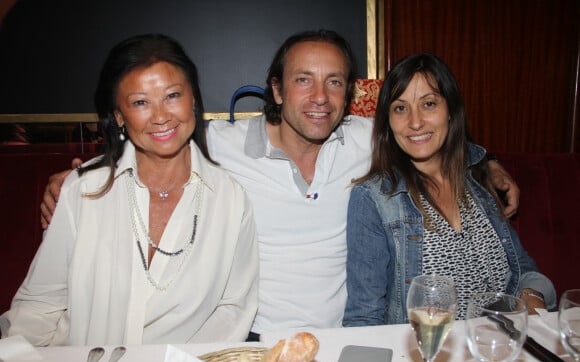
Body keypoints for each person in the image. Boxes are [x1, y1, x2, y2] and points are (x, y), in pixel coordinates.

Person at [38, 31, 520, 338]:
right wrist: (82, 174)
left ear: (349, 93)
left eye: (334, 82)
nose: (319, 98)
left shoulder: (362, 138)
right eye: (303, 80)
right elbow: (162, 133)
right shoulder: (223, 144)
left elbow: (427, 131)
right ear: (275, 89)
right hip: (251, 336)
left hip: (341, 337)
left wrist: (488, 163)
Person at [0, 34, 259, 345]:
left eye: (172, 95)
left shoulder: (230, 199)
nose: (161, 116)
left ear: (193, 99)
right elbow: (40, 305)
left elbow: (233, 309)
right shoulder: (82, 192)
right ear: (120, 116)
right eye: (140, 102)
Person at [342, 52, 555, 326]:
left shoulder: (478, 179)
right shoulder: (375, 199)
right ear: (388, 121)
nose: (415, 122)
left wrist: (532, 295)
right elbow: (364, 317)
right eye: (400, 108)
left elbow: (522, 267)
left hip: (502, 347)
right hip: (427, 357)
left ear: (451, 111)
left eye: (428, 104)